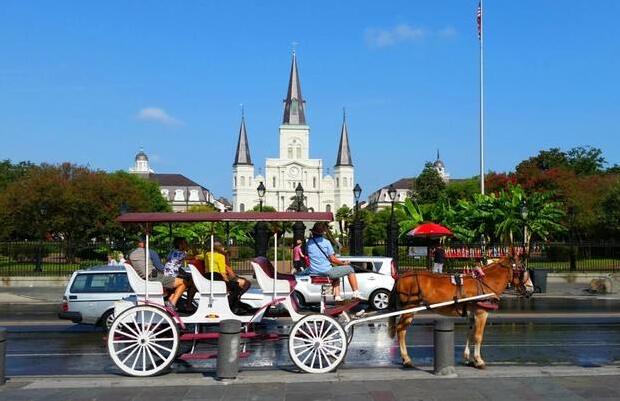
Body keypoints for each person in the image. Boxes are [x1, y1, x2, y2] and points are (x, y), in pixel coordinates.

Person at [305, 222, 360, 302]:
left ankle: (337, 297)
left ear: (313, 232)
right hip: (325, 271)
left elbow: (308, 255)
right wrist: (344, 263)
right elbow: (333, 259)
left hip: (313, 272)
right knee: (350, 269)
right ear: (323, 232)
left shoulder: (308, 243)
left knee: (336, 275)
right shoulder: (326, 242)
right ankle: (356, 293)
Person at [128, 239, 188, 309]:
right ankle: (172, 303)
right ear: (146, 243)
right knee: (183, 282)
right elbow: (160, 267)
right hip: (152, 277)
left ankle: (170, 301)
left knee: (174, 282)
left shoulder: (131, 254)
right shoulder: (150, 252)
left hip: (143, 278)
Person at [164, 237, 196, 310]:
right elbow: (194, 257)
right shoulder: (181, 253)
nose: (187, 245)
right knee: (191, 282)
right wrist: (191, 248)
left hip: (167, 274)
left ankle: (171, 300)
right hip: (172, 275)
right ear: (180, 245)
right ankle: (188, 304)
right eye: (185, 243)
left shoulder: (172, 251)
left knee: (189, 278)